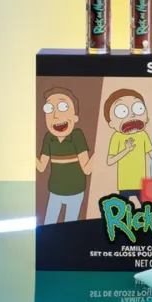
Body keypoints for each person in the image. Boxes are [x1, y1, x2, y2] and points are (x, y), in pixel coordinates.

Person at [37, 88, 92, 224]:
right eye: (49, 109)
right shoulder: (48, 137)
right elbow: (41, 166)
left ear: (75, 117)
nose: (55, 115)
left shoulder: (77, 135)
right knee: (48, 224)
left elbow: (87, 169)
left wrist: (101, 152)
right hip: (54, 191)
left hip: (75, 192)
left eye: (63, 107)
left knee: (70, 225)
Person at [104, 88, 152, 207]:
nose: (132, 114)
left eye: (138, 108)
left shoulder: (143, 135)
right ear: (111, 123)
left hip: (141, 183)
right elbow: (110, 161)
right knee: (122, 212)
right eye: (122, 111)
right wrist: (126, 150)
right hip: (124, 184)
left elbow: (150, 156)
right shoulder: (116, 137)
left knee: (148, 210)